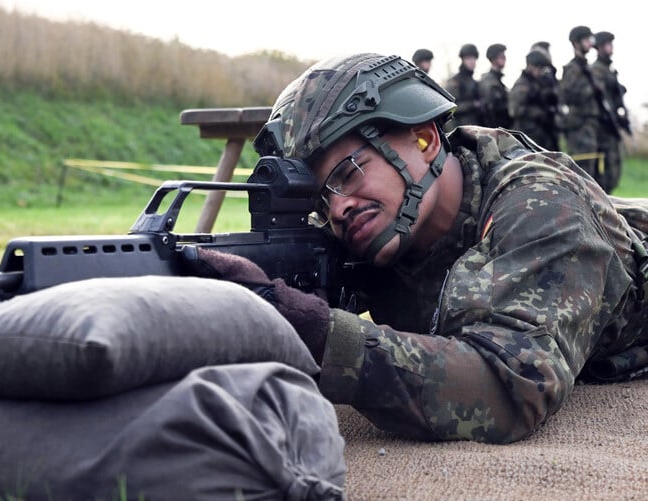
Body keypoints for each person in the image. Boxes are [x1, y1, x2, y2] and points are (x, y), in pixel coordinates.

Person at [192, 52, 648, 445]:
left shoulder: (541, 203)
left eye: (349, 172)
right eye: (319, 199)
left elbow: (512, 384)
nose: (338, 209)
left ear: (426, 139)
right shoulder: (375, 228)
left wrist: (320, 334)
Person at [558, 25, 602, 186]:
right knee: (583, 172)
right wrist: (590, 90)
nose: (589, 43)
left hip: (589, 125)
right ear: (576, 43)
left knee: (592, 171)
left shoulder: (586, 68)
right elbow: (568, 95)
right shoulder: (573, 68)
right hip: (579, 126)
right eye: (585, 39)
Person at [590, 30, 630, 194]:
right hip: (602, 129)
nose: (610, 48)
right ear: (599, 47)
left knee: (614, 170)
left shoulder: (609, 70)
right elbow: (600, 99)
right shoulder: (596, 70)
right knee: (604, 174)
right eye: (607, 44)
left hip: (611, 128)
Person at [508, 49, 560, 150]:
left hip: (544, 134)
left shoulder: (539, 83)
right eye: (539, 67)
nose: (540, 71)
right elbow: (514, 110)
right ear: (530, 66)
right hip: (528, 134)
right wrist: (537, 113)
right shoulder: (522, 85)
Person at [443, 44, 481, 131]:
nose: (472, 61)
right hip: (461, 130)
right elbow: (450, 108)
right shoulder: (455, 82)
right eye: (468, 58)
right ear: (463, 60)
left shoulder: (474, 82)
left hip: (475, 129)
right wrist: (473, 105)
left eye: (474, 58)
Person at [478, 43, 512, 128]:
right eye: (501, 56)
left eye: (504, 56)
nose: (504, 58)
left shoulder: (497, 80)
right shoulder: (488, 81)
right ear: (493, 59)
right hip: (496, 130)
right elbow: (491, 110)